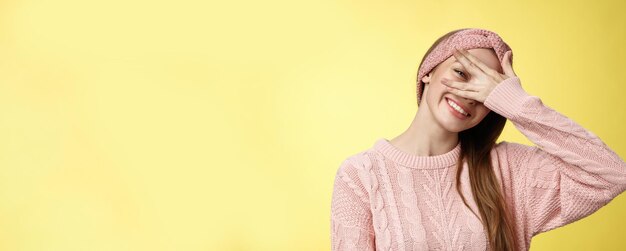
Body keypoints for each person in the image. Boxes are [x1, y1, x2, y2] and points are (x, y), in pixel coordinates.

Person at [329, 28, 626, 251]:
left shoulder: (507, 170)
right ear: (429, 72)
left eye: (487, 92)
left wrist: (516, 103)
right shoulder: (361, 175)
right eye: (461, 73)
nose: (470, 96)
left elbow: (612, 174)